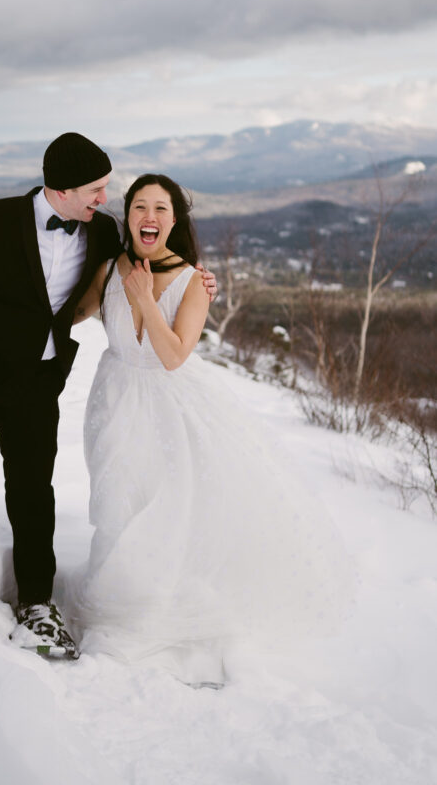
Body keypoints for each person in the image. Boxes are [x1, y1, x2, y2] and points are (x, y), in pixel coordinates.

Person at [0, 132, 219, 656]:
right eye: (96, 189)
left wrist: (198, 278)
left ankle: (38, 603)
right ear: (62, 189)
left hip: (38, 383)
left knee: (34, 491)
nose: (106, 200)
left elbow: (143, 258)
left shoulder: (101, 232)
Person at [71, 174, 353, 686]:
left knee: (166, 508)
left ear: (174, 220)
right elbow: (74, 313)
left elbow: (175, 355)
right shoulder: (110, 268)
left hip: (168, 408)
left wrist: (145, 298)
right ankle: (120, 604)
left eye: (160, 208)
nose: (148, 217)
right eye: (138, 206)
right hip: (113, 401)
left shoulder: (193, 280)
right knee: (117, 504)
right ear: (128, 215)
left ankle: (151, 611)